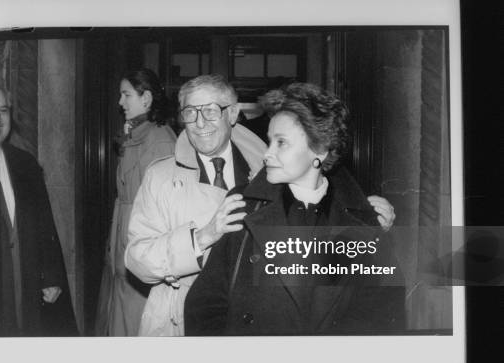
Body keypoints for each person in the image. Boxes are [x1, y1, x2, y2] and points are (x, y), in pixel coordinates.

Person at [125, 75, 397, 336]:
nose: (199, 123)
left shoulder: (267, 166)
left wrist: (368, 223)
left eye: (209, 111)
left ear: (232, 114)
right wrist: (202, 237)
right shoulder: (160, 177)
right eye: (189, 112)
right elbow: (138, 261)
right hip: (178, 322)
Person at [94, 68, 177, 336]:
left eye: (126, 95)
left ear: (146, 98)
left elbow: (165, 209)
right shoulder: (137, 134)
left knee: (135, 323)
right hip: (123, 242)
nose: (120, 102)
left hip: (141, 247)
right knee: (119, 318)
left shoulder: (160, 139)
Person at [0, 87, 78, 337]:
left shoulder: (25, 164)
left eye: (3, 110)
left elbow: (45, 226)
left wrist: (51, 276)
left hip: (25, 280)